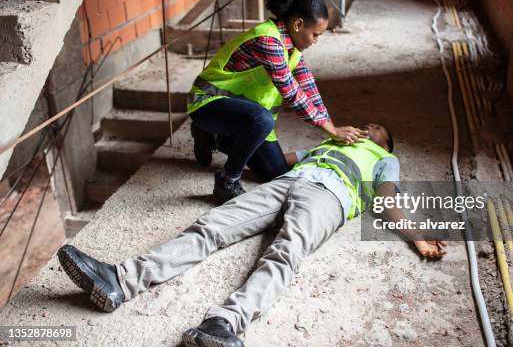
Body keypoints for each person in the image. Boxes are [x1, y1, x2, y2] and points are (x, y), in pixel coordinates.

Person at [57, 123, 447, 347]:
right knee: (210, 226)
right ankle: (119, 281)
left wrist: (419, 237)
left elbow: (386, 200)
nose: (368, 127)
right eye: (367, 123)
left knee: (284, 253)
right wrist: (242, 139)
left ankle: (223, 324)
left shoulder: (384, 159)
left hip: (330, 198)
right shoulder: (330, 142)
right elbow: (274, 161)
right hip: (287, 183)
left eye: (377, 129)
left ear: (384, 143)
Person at [188, 0, 366, 203]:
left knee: (276, 172)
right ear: (298, 24)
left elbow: (308, 86)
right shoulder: (268, 40)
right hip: (207, 102)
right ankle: (227, 180)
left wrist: (331, 123)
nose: (315, 41)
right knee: (262, 120)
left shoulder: (293, 47)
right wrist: (329, 130)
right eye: (315, 35)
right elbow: (290, 90)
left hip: (244, 114)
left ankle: (214, 138)